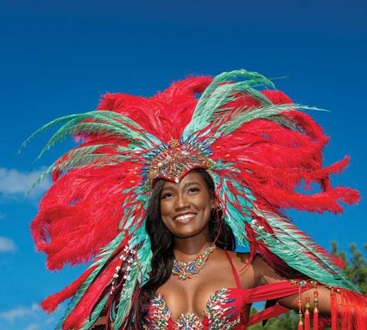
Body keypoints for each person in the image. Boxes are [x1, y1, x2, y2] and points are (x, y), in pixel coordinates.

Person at [26, 69, 367, 329]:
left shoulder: (249, 268)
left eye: (192, 190)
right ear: (157, 209)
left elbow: (343, 306)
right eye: (168, 195)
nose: (181, 203)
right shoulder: (135, 280)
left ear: (215, 199)